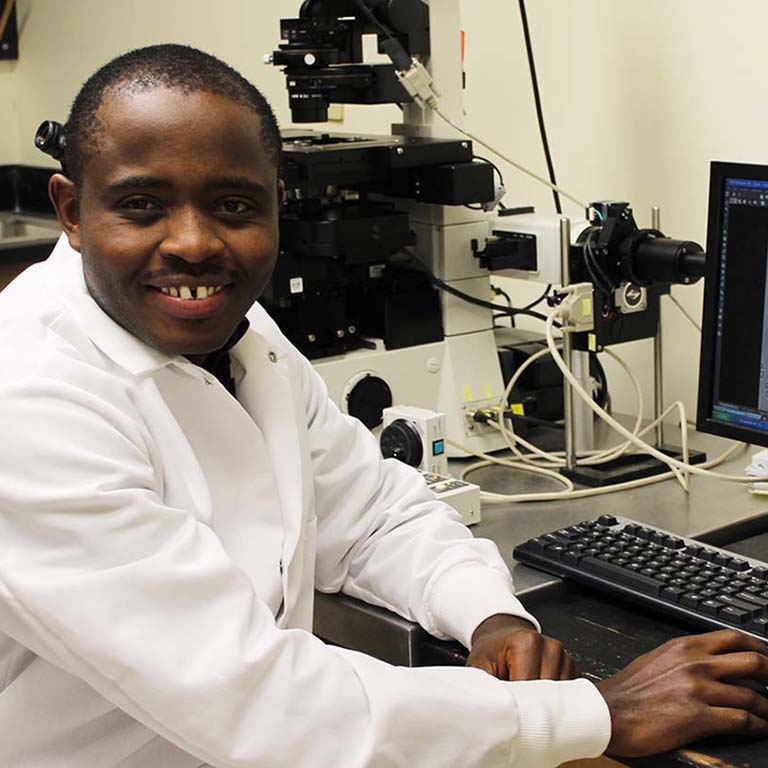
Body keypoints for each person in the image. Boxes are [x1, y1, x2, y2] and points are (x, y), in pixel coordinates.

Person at [0, 44, 766, 768]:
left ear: (277, 202)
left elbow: (370, 514)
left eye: (233, 204)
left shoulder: (243, 335)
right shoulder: (30, 398)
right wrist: (601, 711)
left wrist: (486, 613)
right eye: (141, 205)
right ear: (69, 209)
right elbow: (260, 704)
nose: (195, 244)